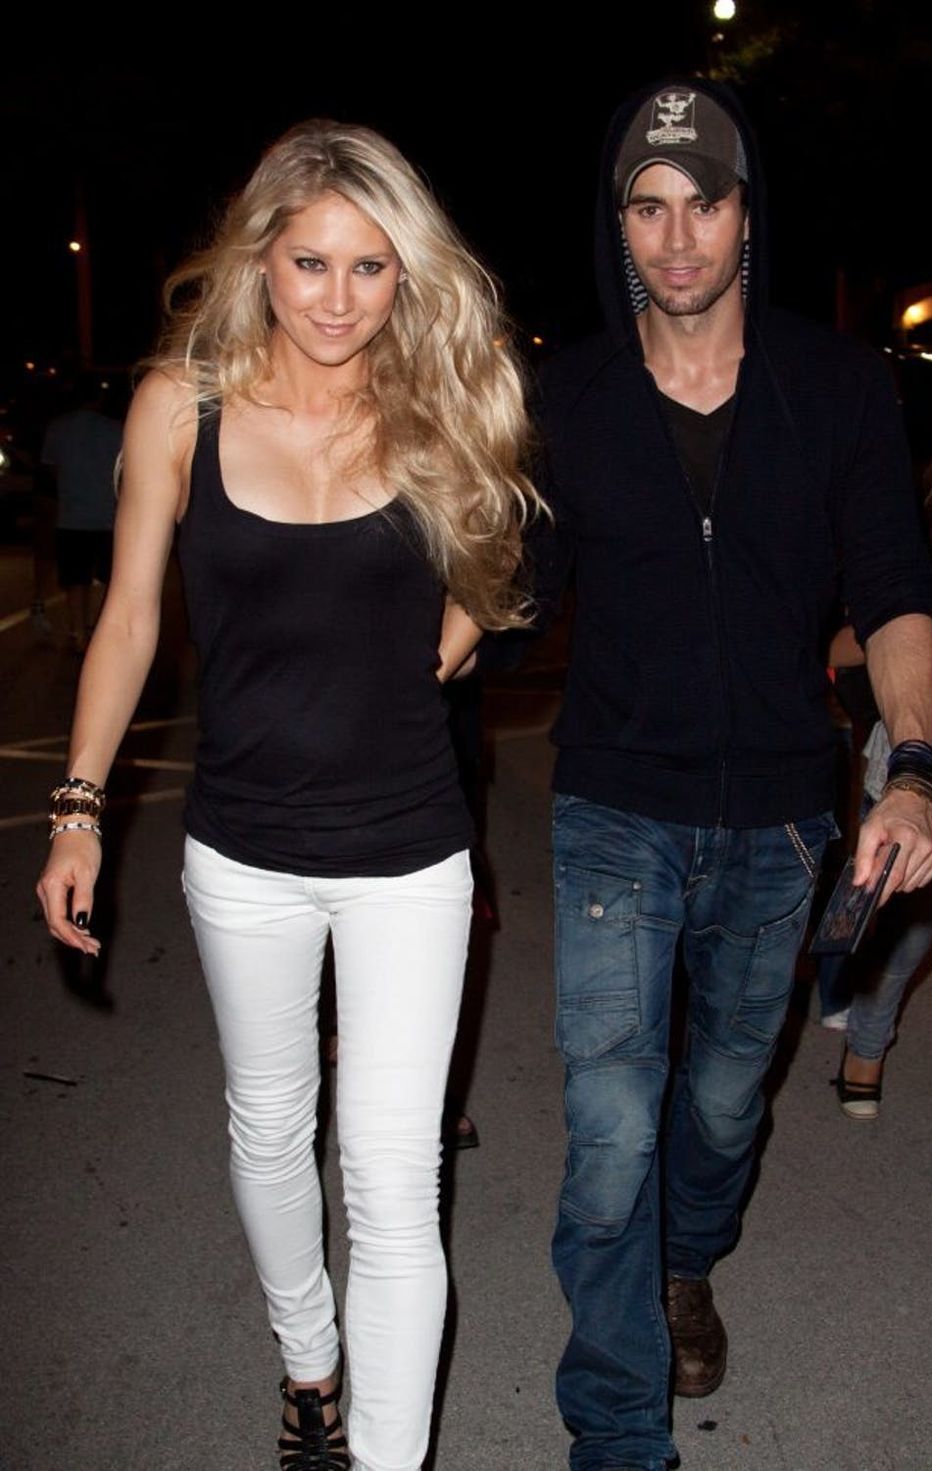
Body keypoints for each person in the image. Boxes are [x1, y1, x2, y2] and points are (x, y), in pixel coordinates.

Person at [36, 119, 538, 1471]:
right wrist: (77, 806)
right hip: (243, 852)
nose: (336, 297)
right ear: (261, 254)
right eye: (309, 260)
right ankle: (306, 1359)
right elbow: (132, 619)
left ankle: (383, 1455)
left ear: (405, 276)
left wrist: (475, 607)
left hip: (408, 850)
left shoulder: (441, 401)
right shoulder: (176, 405)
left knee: (392, 1176)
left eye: (370, 268)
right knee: (270, 1129)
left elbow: (494, 558)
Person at [530, 79, 932, 1470]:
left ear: (745, 211)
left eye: (701, 201)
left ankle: (686, 1258)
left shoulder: (836, 387)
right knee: (608, 1121)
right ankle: (617, 1427)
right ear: (621, 225)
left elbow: (894, 594)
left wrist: (915, 772)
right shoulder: (572, 394)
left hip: (779, 816)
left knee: (717, 1103)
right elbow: (508, 587)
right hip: (613, 804)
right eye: (646, 208)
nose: (675, 236)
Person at [824, 382, 932, 1119]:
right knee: (876, 907)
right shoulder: (921, 535)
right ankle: (850, 1010)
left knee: (910, 921)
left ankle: (862, 1030)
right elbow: (842, 648)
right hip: (911, 770)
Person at [39, 373, 123, 650]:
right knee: (109, 579)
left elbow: (52, 468)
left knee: (76, 579)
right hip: (107, 517)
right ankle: (99, 631)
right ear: (98, 399)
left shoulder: (58, 428)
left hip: (72, 516)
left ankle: (78, 632)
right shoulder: (115, 429)